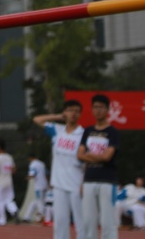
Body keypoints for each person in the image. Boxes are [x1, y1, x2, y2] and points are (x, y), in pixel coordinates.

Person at [34, 99, 85, 239]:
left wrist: (84, 182)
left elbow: (87, 161)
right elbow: (37, 119)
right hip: (59, 184)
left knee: (80, 221)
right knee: (60, 221)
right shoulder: (57, 130)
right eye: (70, 110)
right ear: (65, 112)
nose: (73, 114)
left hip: (76, 183)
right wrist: (57, 116)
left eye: (77, 111)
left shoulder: (83, 134)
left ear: (80, 114)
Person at [77, 93, 120, 239]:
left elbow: (108, 157)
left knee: (107, 221)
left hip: (107, 181)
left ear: (107, 109)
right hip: (89, 180)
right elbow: (80, 155)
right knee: (88, 221)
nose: (98, 110)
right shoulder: (88, 131)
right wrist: (98, 157)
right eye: (95, 107)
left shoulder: (112, 132)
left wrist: (90, 155)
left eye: (101, 107)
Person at [0, 140, 18, 226]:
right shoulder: (9, 157)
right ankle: (14, 210)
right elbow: (14, 170)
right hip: (9, 181)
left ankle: (2, 219)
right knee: (9, 199)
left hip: (0, 182)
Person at [19, 152, 48, 223]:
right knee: (35, 202)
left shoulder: (33, 164)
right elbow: (46, 174)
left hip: (38, 186)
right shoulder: (42, 163)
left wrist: (27, 178)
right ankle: (27, 217)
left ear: (30, 158)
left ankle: (42, 217)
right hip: (45, 184)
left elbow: (32, 174)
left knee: (39, 201)